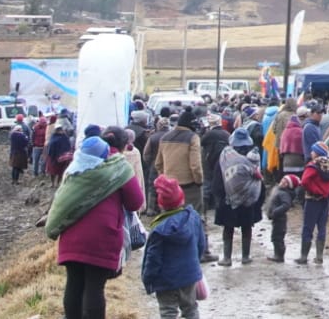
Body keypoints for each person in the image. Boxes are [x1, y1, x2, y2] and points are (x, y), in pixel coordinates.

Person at [47, 135, 145, 319]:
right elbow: (135, 202)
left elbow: (60, 203)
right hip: (102, 238)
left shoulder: (72, 172)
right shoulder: (117, 170)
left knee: (74, 284)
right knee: (94, 287)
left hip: (71, 238)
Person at [156, 109, 216, 263]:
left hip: (169, 187)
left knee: (169, 219)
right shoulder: (193, 137)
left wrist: (165, 178)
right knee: (197, 218)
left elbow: (158, 164)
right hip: (190, 186)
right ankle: (203, 252)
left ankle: (171, 252)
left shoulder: (165, 137)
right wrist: (199, 181)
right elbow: (195, 165)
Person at [142, 175, 204, 319]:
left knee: (168, 312)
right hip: (189, 276)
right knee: (191, 309)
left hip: (166, 280)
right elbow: (201, 245)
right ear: (181, 199)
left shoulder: (159, 230)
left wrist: (148, 278)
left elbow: (153, 258)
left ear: (161, 204)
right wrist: (195, 265)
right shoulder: (193, 217)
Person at [215, 127, 264, 266]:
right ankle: (245, 256)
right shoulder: (253, 157)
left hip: (228, 200)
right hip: (248, 200)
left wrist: (218, 198)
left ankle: (227, 258)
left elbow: (218, 179)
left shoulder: (225, 157)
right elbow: (259, 180)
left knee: (228, 228)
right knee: (246, 227)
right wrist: (259, 201)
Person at [298, 142, 329, 265]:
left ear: (317, 153)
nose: (311, 153)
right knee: (322, 228)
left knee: (308, 228)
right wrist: (328, 191)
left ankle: (303, 257)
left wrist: (314, 189)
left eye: (313, 151)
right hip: (325, 200)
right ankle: (319, 257)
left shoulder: (312, 166)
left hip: (312, 200)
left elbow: (304, 181)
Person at [263, 174, 300, 263]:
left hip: (280, 219)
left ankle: (279, 256)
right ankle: (277, 254)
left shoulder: (284, 194)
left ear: (289, 186)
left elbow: (286, 205)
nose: (283, 182)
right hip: (276, 218)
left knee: (278, 237)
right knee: (275, 237)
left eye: (286, 182)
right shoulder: (279, 190)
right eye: (283, 179)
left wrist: (275, 212)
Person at [9, 118, 31, 184]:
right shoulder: (22, 136)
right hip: (20, 153)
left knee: (14, 167)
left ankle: (13, 180)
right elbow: (26, 142)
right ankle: (16, 180)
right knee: (17, 167)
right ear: (19, 129)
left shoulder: (12, 135)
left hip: (13, 152)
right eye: (21, 129)